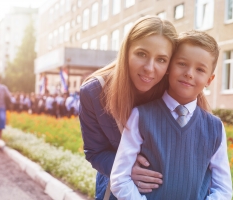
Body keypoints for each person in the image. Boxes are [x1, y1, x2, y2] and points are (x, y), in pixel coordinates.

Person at [79, 16, 210, 200]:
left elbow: (205, 145)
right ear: (127, 51)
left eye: (161, 59)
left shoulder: (175, 87)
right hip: (118, 192)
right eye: (141, 54)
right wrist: (127, 168)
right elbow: (95, 152)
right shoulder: (94, 92)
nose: (150, 68)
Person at [110, 31, 233, 200]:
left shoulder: (215, 127)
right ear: (168, 68)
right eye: (182, 64)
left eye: (200, 69)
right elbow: (120, 179)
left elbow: (223, 189)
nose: (189, 73)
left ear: (209, 80)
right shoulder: (140, 116)